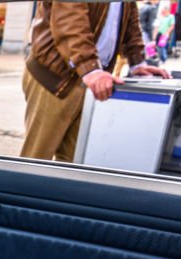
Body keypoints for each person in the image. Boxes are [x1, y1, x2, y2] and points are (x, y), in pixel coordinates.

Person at [20, 1, 170, 163]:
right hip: (57, 76)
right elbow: (69, 19)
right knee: (37, 157)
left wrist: (137, 62)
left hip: (93, 77)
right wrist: (89, 67)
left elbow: (129, 19)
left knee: (75, 161)